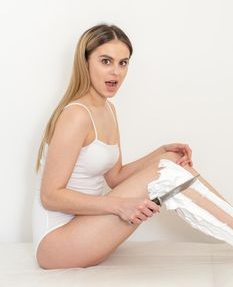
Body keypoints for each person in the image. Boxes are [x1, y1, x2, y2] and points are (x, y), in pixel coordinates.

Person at [32, 23, 233, 269]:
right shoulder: (76, 115)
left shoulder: (108, 109)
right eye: (105, 61)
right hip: (57, 243)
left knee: (169, 160)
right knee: (166, 171)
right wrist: (119, 206)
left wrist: (161, 153)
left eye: (123, 63)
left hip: (89, 228)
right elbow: (50, 196)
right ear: (85, 63)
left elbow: (115, 178)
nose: (115, 72)